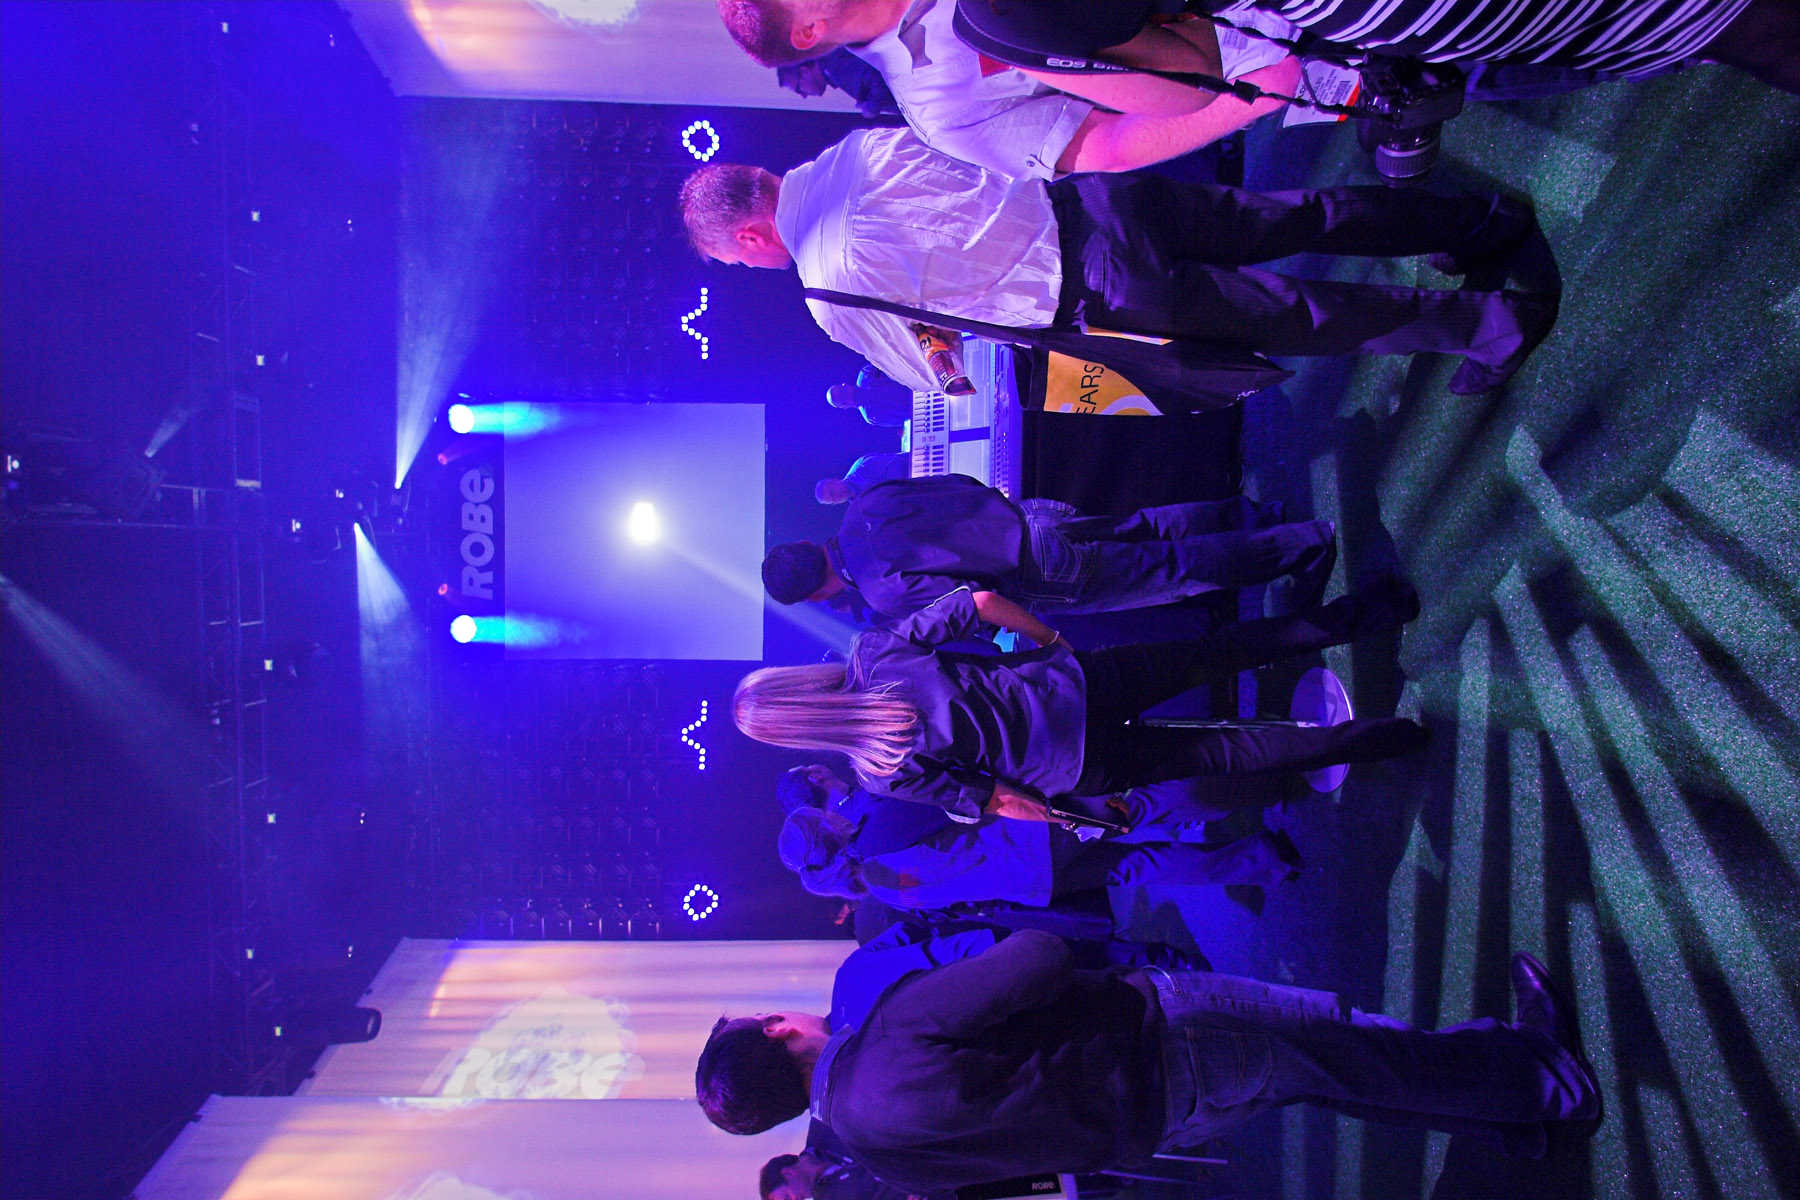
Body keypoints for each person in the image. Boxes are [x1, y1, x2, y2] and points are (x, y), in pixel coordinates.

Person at [678, 131, 1556, 397]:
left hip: (1096, 290)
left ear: (750, 238)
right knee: (1297, 213)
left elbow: (940, 378)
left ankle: (1490, 326)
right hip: (1098, 201)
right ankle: (1480, 223)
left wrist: (939, 351)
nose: (751, 270)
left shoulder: (825, 291)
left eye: (737, 260)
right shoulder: (853, 149)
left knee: (1300, 314)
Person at [695, 932, 1603, 1185]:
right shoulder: (887, 1031)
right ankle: (1545, 1081)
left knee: (1339, 1074)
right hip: (1163, 1039)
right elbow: (1040, 960)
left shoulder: (867, 1151)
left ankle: (1505, 1112)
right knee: (1348, 1044)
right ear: (777, 1031)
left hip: (1158, 1120)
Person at [733, 581, 1424, 821]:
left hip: (1074, 768)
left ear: (795, 736)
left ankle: (1384, 739)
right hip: (1071, 685)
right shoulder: (873, 653)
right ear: (794, 682)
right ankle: (1373, 610)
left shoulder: (877, 772)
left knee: (1226, 752)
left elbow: (996, 800)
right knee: (1223, 652)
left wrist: (1065, 816)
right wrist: (1049, 637)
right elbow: (980, 603)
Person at [718, 0, 1303, 179]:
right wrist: (1257, 92)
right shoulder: (936, 106)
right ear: (807, 32)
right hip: (1263, 34)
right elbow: (1105, 146)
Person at [762, 474, 1333, 622]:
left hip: (1040, 573)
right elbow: (956, 484)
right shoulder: (865, 502)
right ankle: (1261, 518)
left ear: (817, 596)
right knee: (1150, 529)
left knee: (1173, 570)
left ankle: (1303, 545)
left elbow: (973, 599)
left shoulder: (883, 596)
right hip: (1031, 516)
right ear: (807, 541)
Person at [776, 802, 1302, 911]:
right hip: (1033, 832)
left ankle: (1264, 862)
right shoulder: (878, 825)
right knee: (1138, 804)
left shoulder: (883, 889)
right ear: (823, 823)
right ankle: (1250, 781)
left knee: (1143, 867)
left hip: (1032, 882)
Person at [827, 364, 912, 427]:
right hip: (917, 379)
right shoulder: (866, 373)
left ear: (845, 406)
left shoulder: (870, 416)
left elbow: (908, 420)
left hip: (919, 405)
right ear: (845, 385)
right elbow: (893, 363)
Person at [816, 452, 909, 504]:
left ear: (835, 481)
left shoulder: (863, 468)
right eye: (833, 500)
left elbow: (897, 464)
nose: (836, 498)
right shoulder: (858, 506)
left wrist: (894, 495)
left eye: (832, 493)